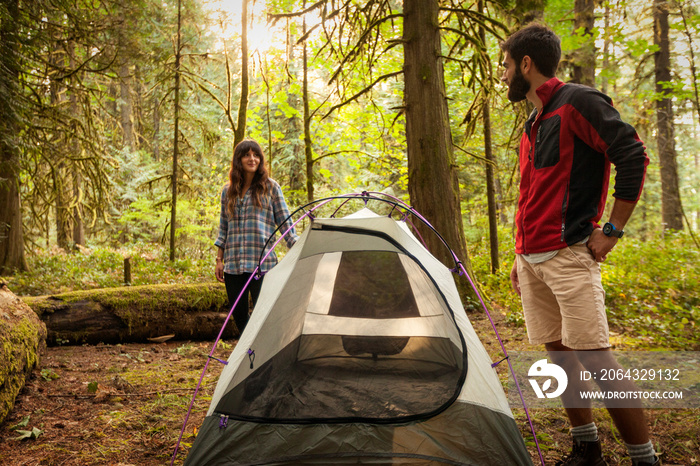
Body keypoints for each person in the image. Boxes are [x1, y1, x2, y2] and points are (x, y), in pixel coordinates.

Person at [500, 24, 659, 466]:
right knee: (558, 353)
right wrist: (520, 254)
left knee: (597, 360)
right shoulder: (533, 122)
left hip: (570, 256)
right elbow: (531, 194)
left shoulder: (579, 102)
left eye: (507, 64)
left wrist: (612, 228)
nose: (503, 73)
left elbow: (632, 155)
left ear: (526, 64)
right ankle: (586, 449)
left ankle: (645, 458)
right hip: (532, 259)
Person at [214, 139, 298, 336]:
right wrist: (219, 259)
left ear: (261, 159)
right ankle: (250, 358)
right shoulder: (228, 191)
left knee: (265, 316)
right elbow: (223, 227)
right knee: (240, 318)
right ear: (239, 160)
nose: (252, 159)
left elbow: (286, 223)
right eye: (247, 155)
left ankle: (265, 357)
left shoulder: (271, 187)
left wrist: (298, 247)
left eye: (256, 155)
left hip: (263, 264)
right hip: (233, 265)